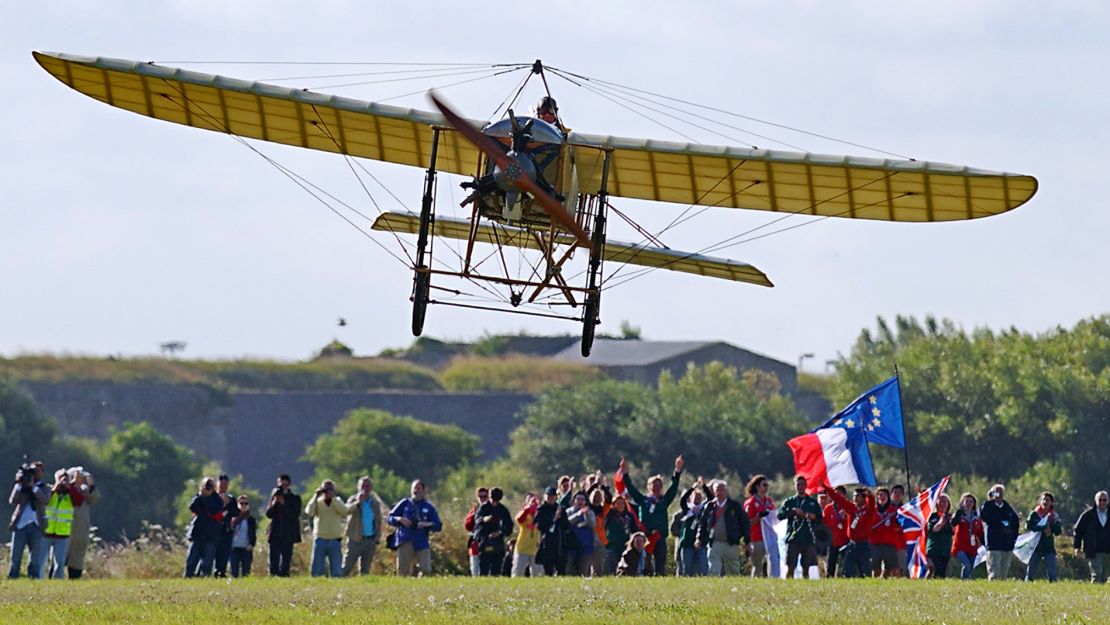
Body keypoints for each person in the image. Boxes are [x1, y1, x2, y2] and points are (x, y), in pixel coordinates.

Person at [620, 455, 684, 575]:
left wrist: (677, 471)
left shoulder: (664, 501)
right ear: (648, 487)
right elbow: (631, 489)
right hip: (645, 538)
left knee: (660, 564)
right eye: (653, 485)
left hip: (659, 537)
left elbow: (673, 488)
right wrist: (625, 473)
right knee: (644, 563)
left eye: (659, 486)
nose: (656, 488)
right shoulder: (643, 501)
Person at [388, 479, 443, 577]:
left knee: (426, 570)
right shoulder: (404, 503)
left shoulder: (428, 507)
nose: (416, 491)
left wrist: (427, 524)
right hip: (405, 540)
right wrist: (400, 519)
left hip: (421, 541)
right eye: (414, 488)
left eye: (418, 488)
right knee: (402, 572)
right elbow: (390, 518)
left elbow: (438, 525)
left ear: (423, 491)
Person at [696, 479, 750, 577]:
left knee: (733, 570)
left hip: (731, 543)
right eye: (717, 490)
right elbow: (702, 523)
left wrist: (746, 541)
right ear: (714, 491)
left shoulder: (734, 506)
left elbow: (745, 523)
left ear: (726, 491)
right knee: (713, 569)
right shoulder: (710, 506)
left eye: (722, 490)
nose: (719, 492)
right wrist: (699, 538)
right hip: (714, 543)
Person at [41, 468, 85, 579]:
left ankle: (57, 580)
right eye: (61, 478)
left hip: (62, 533)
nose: (63, 481)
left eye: (66, 478)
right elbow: (44, 500)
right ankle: (38, 578)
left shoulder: (70, 494)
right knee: (41, 559)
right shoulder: (50, 491)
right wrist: (56, 486)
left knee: (59, 562)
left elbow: (79, 501)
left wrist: (70, 487)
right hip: (46, 531)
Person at [8, 460, 48, 579]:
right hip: (21, 525)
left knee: (35, 556)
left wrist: (33, 487)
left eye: (38, 471)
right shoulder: (20, 487)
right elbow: (12, 501)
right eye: (33, 471)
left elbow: (46, 500)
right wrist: (20, 485)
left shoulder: (44, 488)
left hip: (37, 525)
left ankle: (33, 577)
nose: (35, 474)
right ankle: (13, 576)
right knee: (16, 555)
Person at [824, 485, 875, 578]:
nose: (855, 498)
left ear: (864, 498)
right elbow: (838, 499)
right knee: (847, 569)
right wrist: (826, 487)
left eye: (858, 496)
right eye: (854, 496)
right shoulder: (851, 508)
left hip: (863, 544)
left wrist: (870, 496)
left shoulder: (868, 511)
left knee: (865, 570)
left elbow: (872, 504)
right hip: (852, 543)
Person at [777, 475, 822, 579]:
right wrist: (793, 512)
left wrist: (812, 516)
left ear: (806, 486)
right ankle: (788, 587)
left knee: (806, 567)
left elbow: (820, 519)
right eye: (798, 484)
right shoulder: (790, 501)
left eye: (802, 484)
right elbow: (780, 515)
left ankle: (804, 587)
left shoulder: (812, 502)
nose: (800, 487)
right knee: (790, 566)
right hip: (793, 538)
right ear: (795, 486)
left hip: (808, 537)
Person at [305, 479, 348, 577]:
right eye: (325, 489)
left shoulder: (337, 501)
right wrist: (315, 496)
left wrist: (333, 498)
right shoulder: (317, 502)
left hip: (335, 539)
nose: (327, 491)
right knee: (316, 569)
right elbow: (309, 512)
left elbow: (344, 511)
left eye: (330, 489)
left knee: (336, 570)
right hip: (320, 538)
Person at [342, 476, 383, 577]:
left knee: (365, 569)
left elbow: (378, 521)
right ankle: (338, 582)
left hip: (370, 539)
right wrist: (358, 503)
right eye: (363, 486)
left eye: (368, 486)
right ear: (358, 487)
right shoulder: (353, 499)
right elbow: (345, 511)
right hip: (355, 539)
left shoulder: (375, 503)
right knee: (347, 566)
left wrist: (377, 537)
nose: (365, 488)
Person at [184, 476, 224, 578]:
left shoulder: (218, 500)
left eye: (209, 487)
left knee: (207, 561)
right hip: (197, 534)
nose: (207, 489)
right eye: (206, 486)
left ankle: (204, 577)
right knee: (192, 559)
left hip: (211, 535)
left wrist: (208, 498)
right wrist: (200, 495)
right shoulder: (198, 498)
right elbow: (192, 507)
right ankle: (188, 576)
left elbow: (213, 511)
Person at [265, 473, 303, 577]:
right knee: (274, 556)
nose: (283, 487)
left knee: (286, 557)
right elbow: (268, 514)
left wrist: (283, 504)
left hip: (288, 532)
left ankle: (284, 574)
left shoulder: (295, 498)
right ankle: (273, 574)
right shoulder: (274, 497)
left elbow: (295, 514)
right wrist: (273, 503)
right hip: (276, 531)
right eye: (281, 485)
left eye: (285, 485)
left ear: (289, 485)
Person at [980, 483, 1019, 580]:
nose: (999, 494)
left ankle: (1002, 589)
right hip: (994, 545)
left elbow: (1015, 524)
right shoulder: (988, 506)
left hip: (1006, 545)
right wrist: (990, 501)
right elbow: (984, 517)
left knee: (1004, 572)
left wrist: (1013, 539)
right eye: (996, 492)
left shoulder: (1008, 508)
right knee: (994, 571)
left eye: (1001, 492)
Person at [65, 468, 99, 579]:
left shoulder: (84, 490)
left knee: (77, 559)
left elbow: (94, 499)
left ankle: (74, 580)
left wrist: (91, 485)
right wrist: (73, 482)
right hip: (66, 529)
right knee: (61, 558)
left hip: (81, 530)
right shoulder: (65, 488)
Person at [474, 486, 513, 576]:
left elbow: (509, 526)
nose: (494, 503)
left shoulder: (503, 510)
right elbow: (477, 520)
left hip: (498, 543)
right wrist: (484, 519)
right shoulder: (483, 508)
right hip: (485, 541)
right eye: (493, 500)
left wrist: (500, 532)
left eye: (496, 501)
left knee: (497, 568)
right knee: (484, 568)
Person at [676, 477, 711, 576]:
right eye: (695, 497)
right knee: (687, 570)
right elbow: (682, 500)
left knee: (703, 568)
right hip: (687, 543)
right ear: (691, 498)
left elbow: (710, 499)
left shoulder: (703, 509)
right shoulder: (687, 510)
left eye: (699, 498)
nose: (697, 499)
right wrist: (692, 488)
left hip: (701, 543)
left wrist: (704, 486)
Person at [1025, 491, 1062, 582]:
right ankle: (1028, 584)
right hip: (1036, 545)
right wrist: (1042, 528)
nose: (1045, 502)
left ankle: (1053, 585)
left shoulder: (1054, 515)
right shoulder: (1035, 514)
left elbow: (1058, 531)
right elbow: (1029, 526)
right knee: (1031, 570)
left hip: (1048, 545)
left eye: (1047, 500)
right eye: (1043, 499)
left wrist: (1051, 525)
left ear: (1051, 502)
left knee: (1052, 570)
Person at [1074, 490, 1110, 583]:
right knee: (1096, 574)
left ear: (1108, 500)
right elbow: (1078, 530)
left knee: (1104, 576)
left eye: (1104, 500)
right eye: (1100, 500)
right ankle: (1093, 593)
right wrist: (1077, 546)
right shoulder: (1088, 515)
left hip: (1108, 550)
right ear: (1096, 501)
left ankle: (1100, 595)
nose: (1102, 502)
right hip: (1093, 550)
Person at [743, 474, 775, 577]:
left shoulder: (769, 501)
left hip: (769, 537)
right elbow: (747, 523)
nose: (766, 487)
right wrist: (759, 516)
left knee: (772, 563)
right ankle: (754, 585)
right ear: (757, 487)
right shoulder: (751, 502)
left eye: (767, 485)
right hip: (757, 538)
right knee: (757, 566)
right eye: (764, 485)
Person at [535, 486, 571, 576]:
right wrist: (554, 518)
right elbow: (541, 526)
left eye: (552, 496)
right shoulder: (541, 510)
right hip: (547, 543)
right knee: (548, 569)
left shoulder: (560, 509)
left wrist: (560, 517)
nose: (550, 498)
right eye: (548, 496)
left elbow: (566, 526)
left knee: (561, 569)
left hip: (560, 543)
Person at [869, 487, 903, 578]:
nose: (882, 497)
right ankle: (875, 584)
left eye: (884, 495)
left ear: (888, 497)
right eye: (879, 495)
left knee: (892, 568)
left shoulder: (893, 511)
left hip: (889, 544)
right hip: (875, 544)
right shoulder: (872, 510)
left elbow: (898, 525)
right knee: (875, 568)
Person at [951, 492, 985, 580]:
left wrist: (986, 544)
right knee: (966, 565)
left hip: (972, 547)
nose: (969, 504)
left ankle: (966, 582)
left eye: (971, 502)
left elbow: (980, 533)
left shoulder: (976, 517)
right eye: (967, 501)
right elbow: (954, 523)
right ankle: (964, 580)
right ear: (962, 503)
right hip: (960, 546)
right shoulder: (959, 515)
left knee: (970, 567)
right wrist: (959, 512)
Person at [512, 493, 543, 577]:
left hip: (535, 549)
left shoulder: (540, 515)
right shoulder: (522, 513)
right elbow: (520, 519)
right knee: (518, 573)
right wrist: (528, 508)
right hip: (522, 548)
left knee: (538, 575)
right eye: (530, 500)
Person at [604, 495, 636, 575]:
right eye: (618, 503)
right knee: (612, 565)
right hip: (612, 544)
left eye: (622, 503)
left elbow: (634, 529)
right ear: (614, 504)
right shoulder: (610, 515)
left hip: (624, 544)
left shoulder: (629, 516)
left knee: (624, 566)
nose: (620, 505)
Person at [566, 491, 596, 576]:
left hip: (586, 547)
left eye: (582, 500)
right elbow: (566, 523)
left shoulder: (590, 512)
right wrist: (577, 515)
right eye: (578, 499)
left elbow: (592, 525)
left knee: (584, 571)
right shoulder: (569, 511)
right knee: (570, 570)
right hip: (571, 546)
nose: (580, 501)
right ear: (574, 500)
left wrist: (585, 515)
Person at [822, 486, 850, 578]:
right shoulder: (828, 508)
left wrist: (846, 516)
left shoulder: (848, 507)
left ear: (844, 496)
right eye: (835, 493)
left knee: (847, 565)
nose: (837, 496)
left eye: (839, 494)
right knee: (830, 566)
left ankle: (848, 580)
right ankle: (829, 581)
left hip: (845, 541)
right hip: (832, 542)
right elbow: (824, 525)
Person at [213, 474, 236, 578]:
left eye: (225, 484)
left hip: (226, 529)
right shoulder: (212, 497)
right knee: (212, 552)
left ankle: (222, 571)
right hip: (213, 530)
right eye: (221, 484)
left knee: (225, 552)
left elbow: (236, 512)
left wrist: (227, 504)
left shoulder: (231, 498)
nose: (223, 486)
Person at [925, 493, 954, 579]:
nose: (943, 504)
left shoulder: (951, 517)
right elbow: (934, 529)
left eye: (945, 502)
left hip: (945, 549)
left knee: (942, 573)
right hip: (934, 548)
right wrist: (942, 520)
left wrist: (951, 521)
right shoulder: (932, 516)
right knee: (935, 569)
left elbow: (953, 530)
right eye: (940, 501)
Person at [228, 495, 257, 577]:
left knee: (246, 572)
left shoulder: (251, 519)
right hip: (234, 547)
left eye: (246, 503)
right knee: (234, 572)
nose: (244, 505)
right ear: (237, 504)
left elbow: (253, 533)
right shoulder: (233, 518)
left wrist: (251, 544)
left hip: (246, 548)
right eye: (241, 503)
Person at [464, 487, 489, 576]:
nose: (482, 499)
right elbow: (468, 526)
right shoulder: (475, 510)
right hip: (476, 543)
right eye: (480, 497)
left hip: (489, 542)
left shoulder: (493, 509)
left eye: (485, 496)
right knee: (475, 568)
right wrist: (474, 514)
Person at [890, 484, 909, 577]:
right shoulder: (887, 508)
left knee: (901, 567)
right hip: (888, 542)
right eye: (895, 492)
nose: (897, 494)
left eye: (899, 492)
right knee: (888, 568)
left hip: (901, 542)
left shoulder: (906, 509)